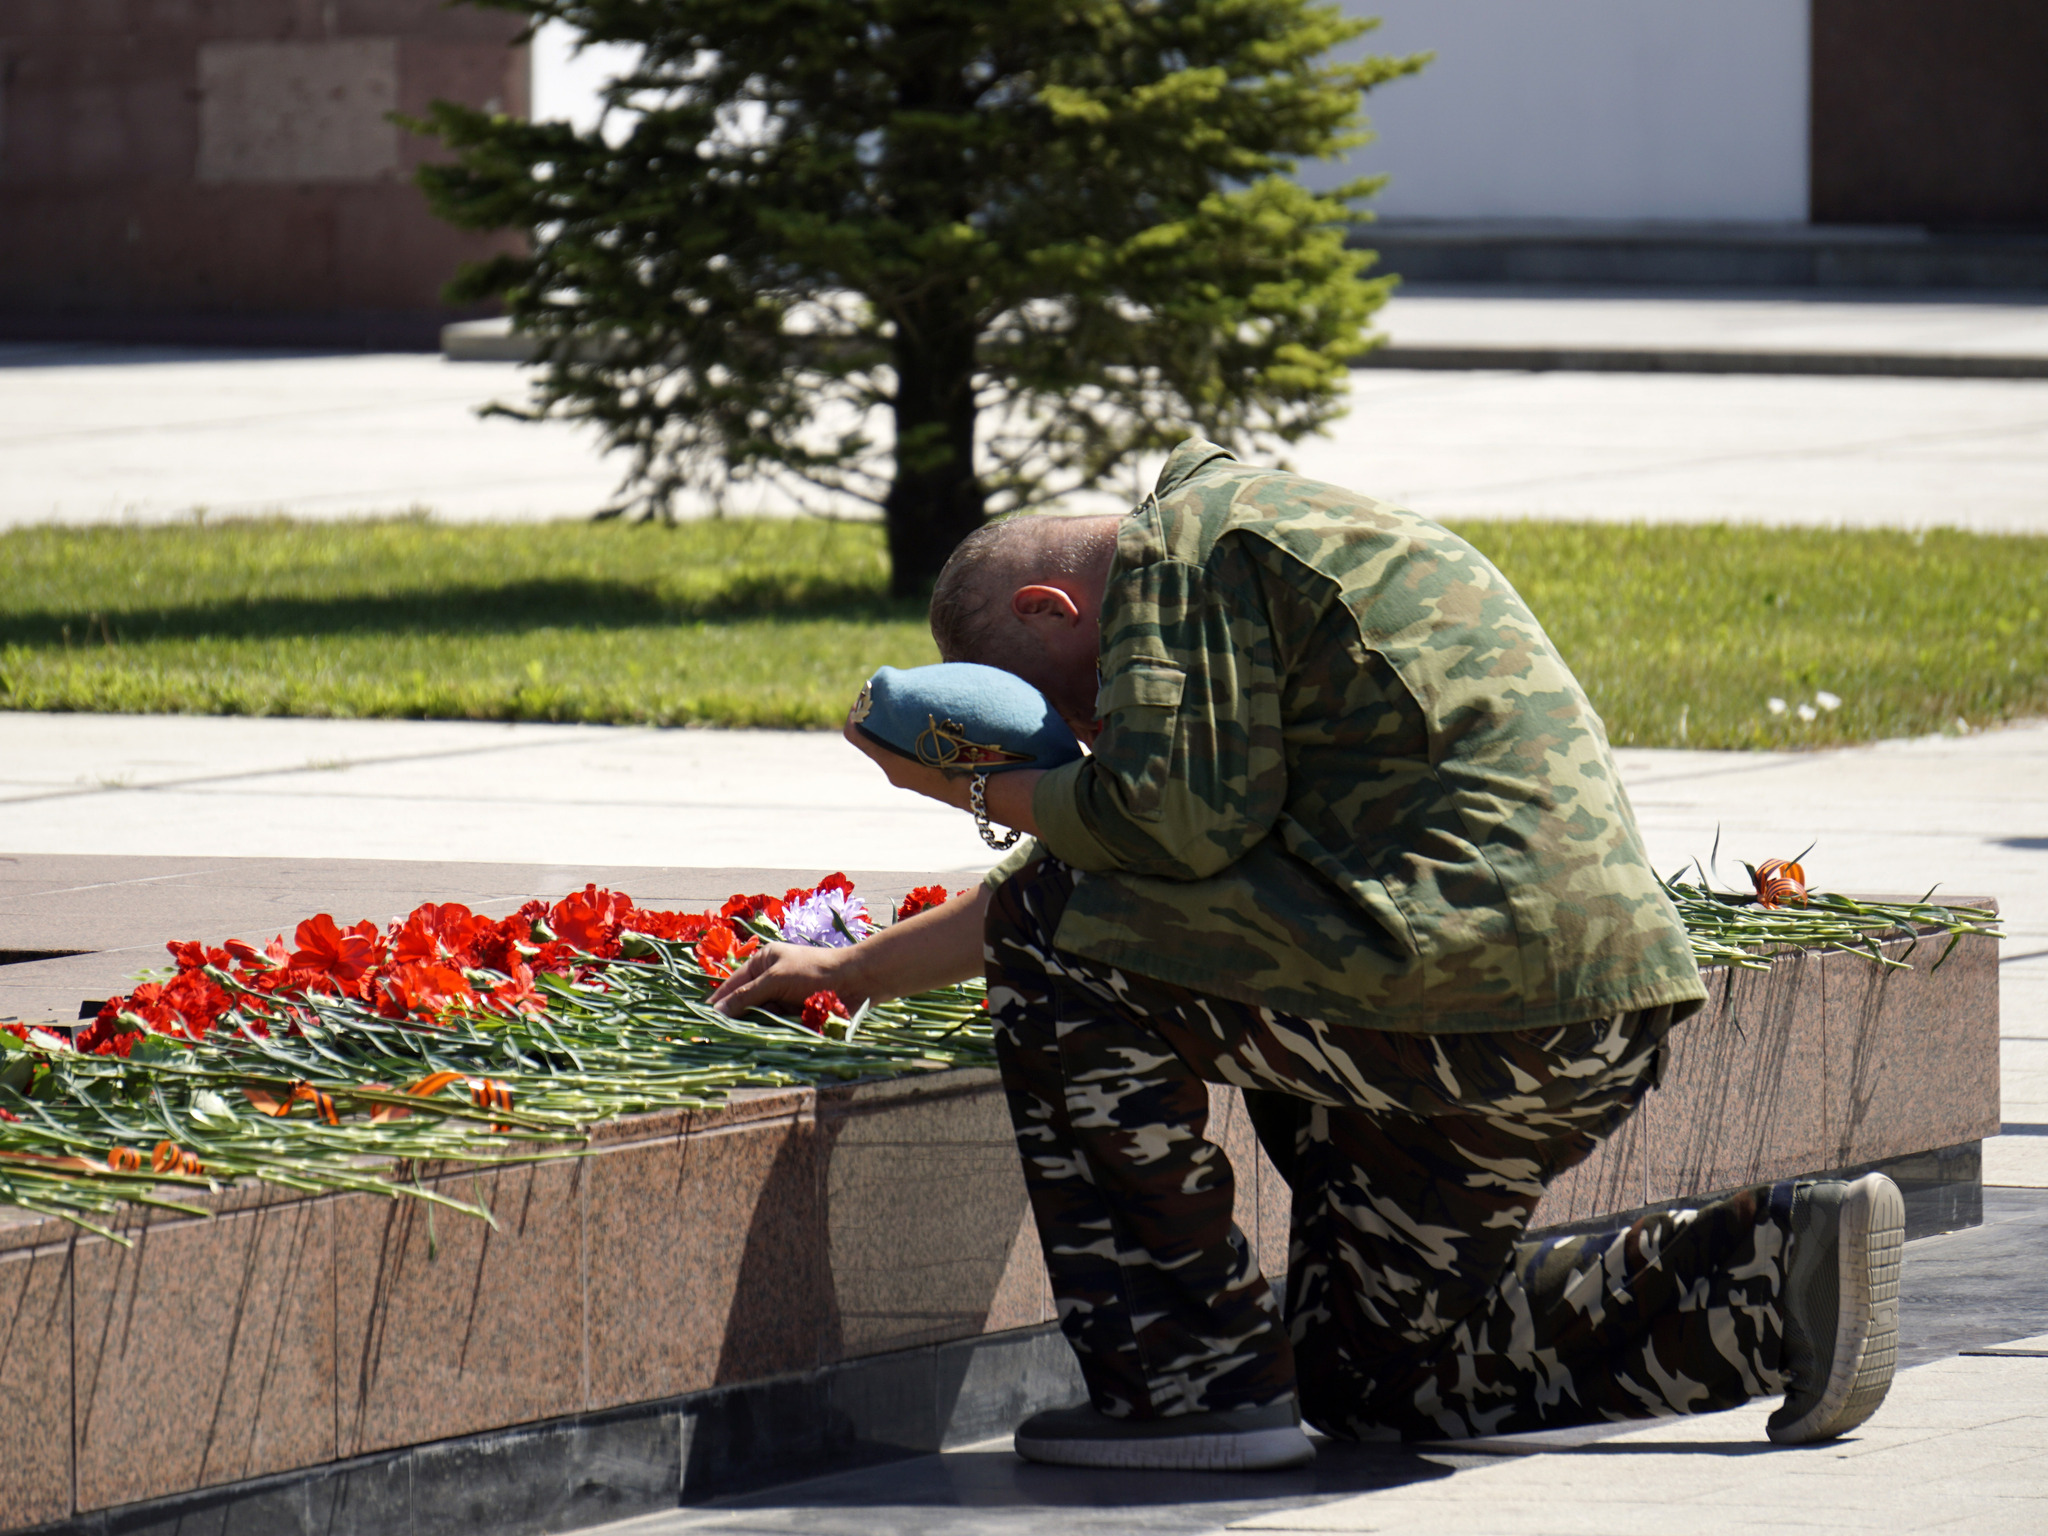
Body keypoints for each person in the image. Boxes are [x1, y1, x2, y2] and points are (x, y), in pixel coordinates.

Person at [709, 439, 1904, 1471]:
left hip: (1451, 993)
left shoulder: (1184, 555)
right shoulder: (1266, 543)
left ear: (1047, 609)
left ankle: (1186, 1386)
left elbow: (1148, 836)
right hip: (1577, 1008)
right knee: (1377, 1377)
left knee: (1058, 943)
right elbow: (1134, 864)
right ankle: (1774, 1267)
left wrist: (973, 780)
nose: (1080, 736)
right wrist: (845, 971)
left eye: (1065, 708)